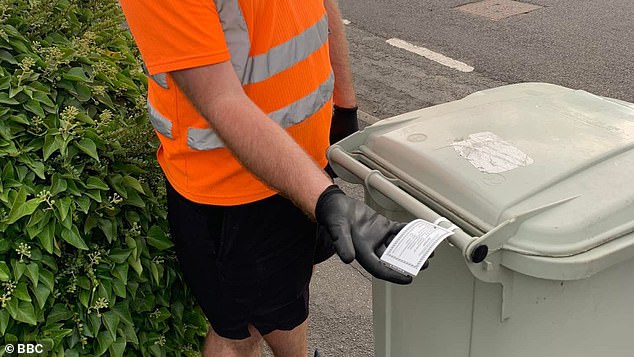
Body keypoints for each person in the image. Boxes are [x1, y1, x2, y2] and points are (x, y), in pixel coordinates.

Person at [119, 0, 420, 355]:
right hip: (231, 189)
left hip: (303, 167)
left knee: (288, 298)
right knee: (239, 331)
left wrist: (344, 106)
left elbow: (323, 8)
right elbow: (220, 99)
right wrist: (324, 198)